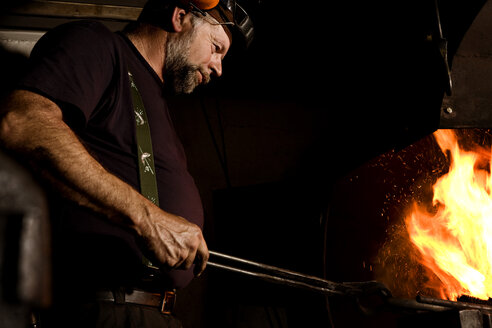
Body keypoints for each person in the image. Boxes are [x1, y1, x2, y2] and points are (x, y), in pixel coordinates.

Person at [0, 0, 253, 327]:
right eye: (216, 47)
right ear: (180, 17)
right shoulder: (97, 45)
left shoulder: (156, 98)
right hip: (106, 310)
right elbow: (22, 123)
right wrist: (149, 219)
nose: (218, 68)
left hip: (149, 313)